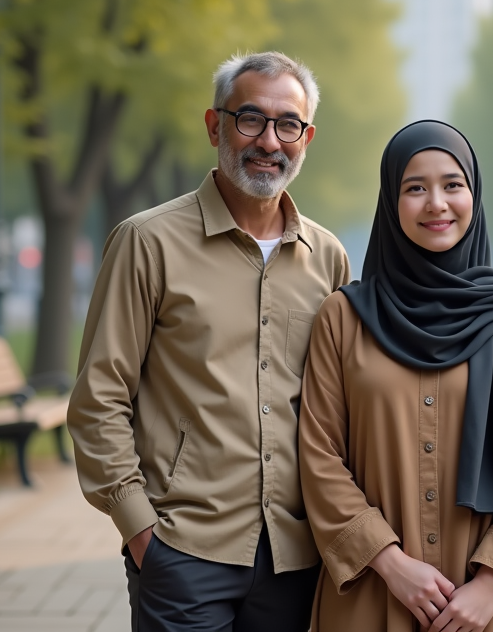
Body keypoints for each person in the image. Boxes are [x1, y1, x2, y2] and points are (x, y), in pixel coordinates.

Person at [67, 52, 351, 632]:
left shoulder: (328, 258)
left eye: (287, 125)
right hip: (183, 548)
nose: (269, 141)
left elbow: (342, 403)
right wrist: (141, 532)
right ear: (214, 124)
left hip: (296, 556)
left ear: (307, 137)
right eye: (250, 118)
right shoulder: (147, 243)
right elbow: (100, 397)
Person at [299, 120, 493, 632]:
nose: (436, 203)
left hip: (486, 608)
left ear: (474, 195)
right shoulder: (344, 317)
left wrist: (490, 585)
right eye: (414, 188)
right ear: (390, 203)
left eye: (452, 185)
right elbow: (319, 453)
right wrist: (389, 563)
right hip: (373, 596)